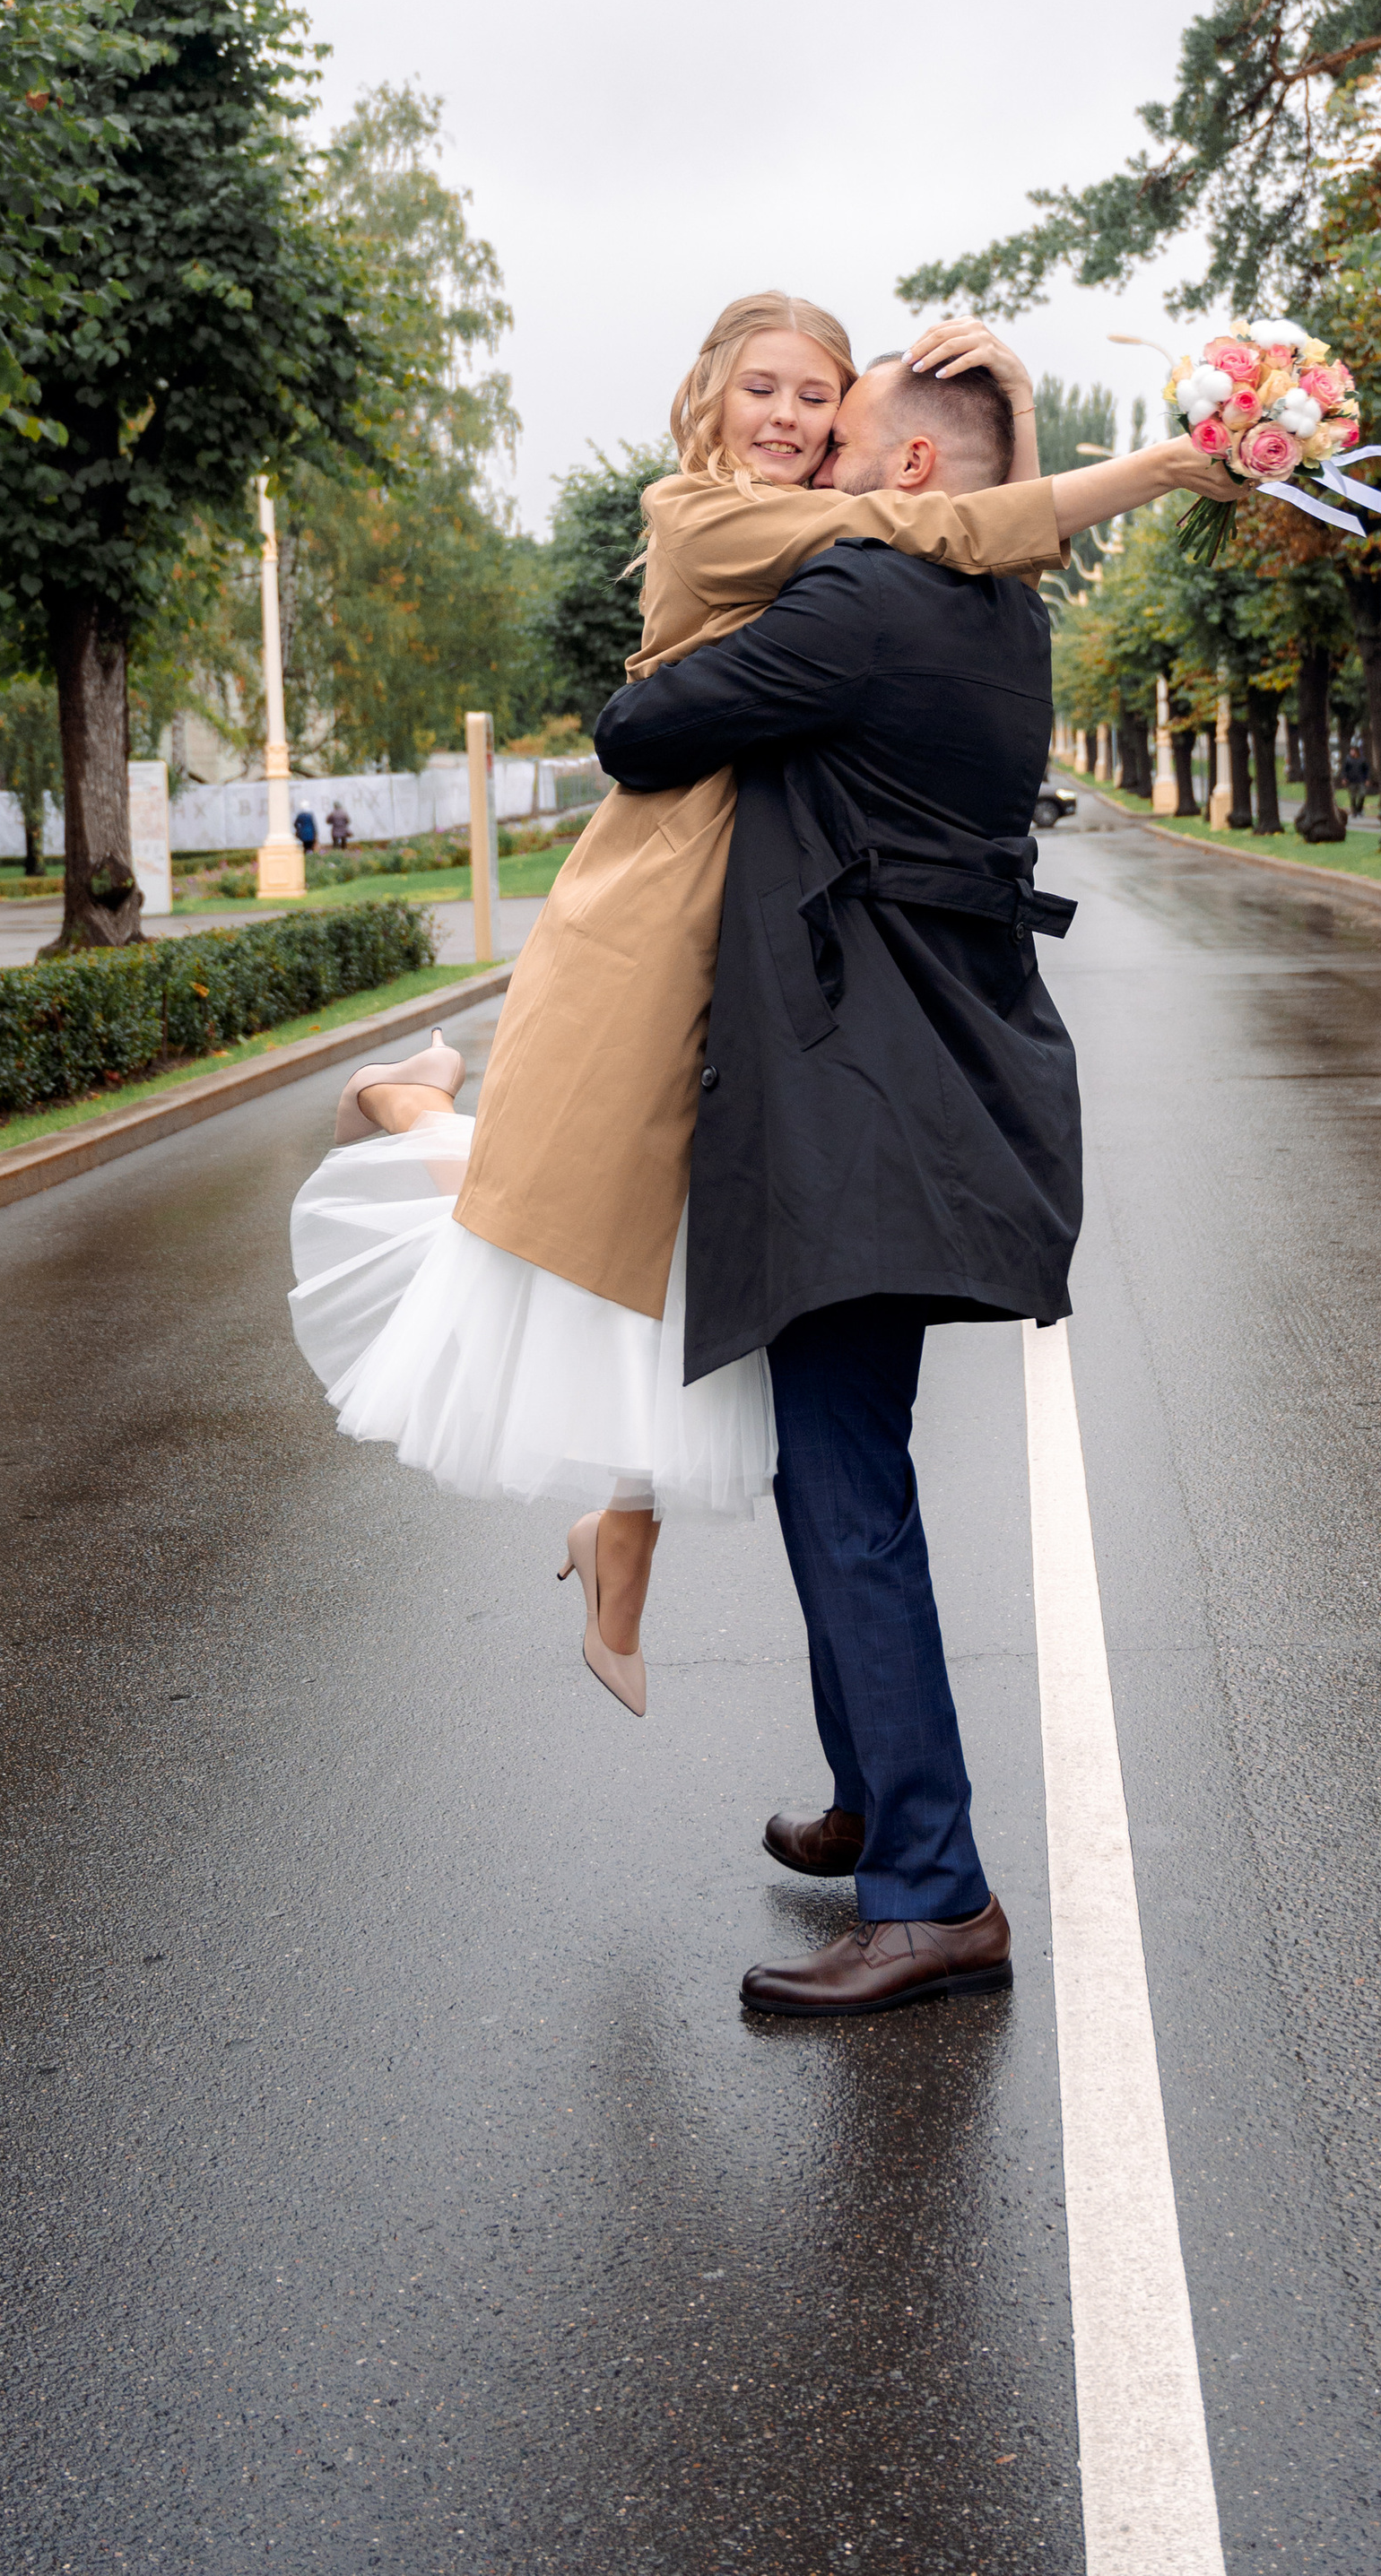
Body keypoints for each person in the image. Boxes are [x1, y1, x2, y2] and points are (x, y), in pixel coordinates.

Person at [283, 292, 1226, 1718]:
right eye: (767, 393)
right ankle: (411, 1106)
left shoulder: (848, 529)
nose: (791, 422)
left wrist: (1015, 417)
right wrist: (1154, 465)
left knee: (683, 1241)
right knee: (584, 1202)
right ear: (712, 395)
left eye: (819, 400)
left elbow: (965, 531)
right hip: (672, 888)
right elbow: (945, 526)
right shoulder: (703, 516)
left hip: (759, 887)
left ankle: (623, 1526)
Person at [594, 350, 1117, 2017]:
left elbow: (635, 730)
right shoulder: (997, 615)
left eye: (841, 428)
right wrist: (1015, 431)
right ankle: (877, 1808)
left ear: (902, 466)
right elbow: (997, 521)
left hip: (852, 1110)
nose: (807, 453)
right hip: (925, 1092)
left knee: (847, 1499)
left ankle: (936, 1894)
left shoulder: (858, 605)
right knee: (850, 1470)